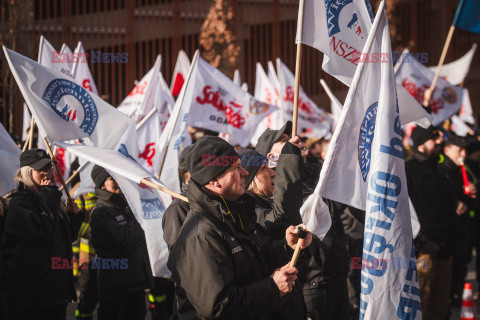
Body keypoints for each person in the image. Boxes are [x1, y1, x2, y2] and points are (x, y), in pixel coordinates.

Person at [168, 136, 311, 320]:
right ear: (214, 181)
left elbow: (254, 264)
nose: (244, 172)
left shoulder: (234, 213)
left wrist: (287, 246)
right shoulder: (200, 235)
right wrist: (272, 288)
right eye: (235, 168)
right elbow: (219, 307)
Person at [255, 123, 350, 320]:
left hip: (337, 275)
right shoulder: (270, 194)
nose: (294, 141)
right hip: (312, 283)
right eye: (283, 141)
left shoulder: (312, 176)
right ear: (269, 157)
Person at [2, 148, 82, 319]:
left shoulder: (51, 199)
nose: (46, 173)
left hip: (56, 294)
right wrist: (50, 199)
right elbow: (43, 234)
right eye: (40, 169)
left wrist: (74, 219)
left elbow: (63, 241)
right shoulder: (19, 203)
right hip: (33, 297)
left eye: (49, 168)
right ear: (27, 173)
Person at [405, 126, 458, 320]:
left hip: (446, 247)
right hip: (424, 251)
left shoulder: (440, 168)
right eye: (433, 139)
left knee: (440, 306)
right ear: (420, 144)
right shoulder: (408, 170)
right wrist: (420, 242)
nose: (438, 142)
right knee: (422, 303)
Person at [89, 165, 153, 320]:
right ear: (102, 184)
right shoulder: (100, 213)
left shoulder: (124, 207)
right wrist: (137, 217)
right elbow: (124, 241)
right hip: (116, 287)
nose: (117, 181)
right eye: (112, 178)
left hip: (134, 284)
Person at [439, 135, 477, 306]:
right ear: (447, 150)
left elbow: (467, 198)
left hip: (462, 227)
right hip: (448, 230)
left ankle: (456, 296)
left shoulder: (463, 168)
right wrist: (454, 204)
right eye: (458, 150)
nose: (463, 154)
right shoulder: (442, 169)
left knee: (461, 265)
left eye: (464, 150)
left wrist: (470, 197)